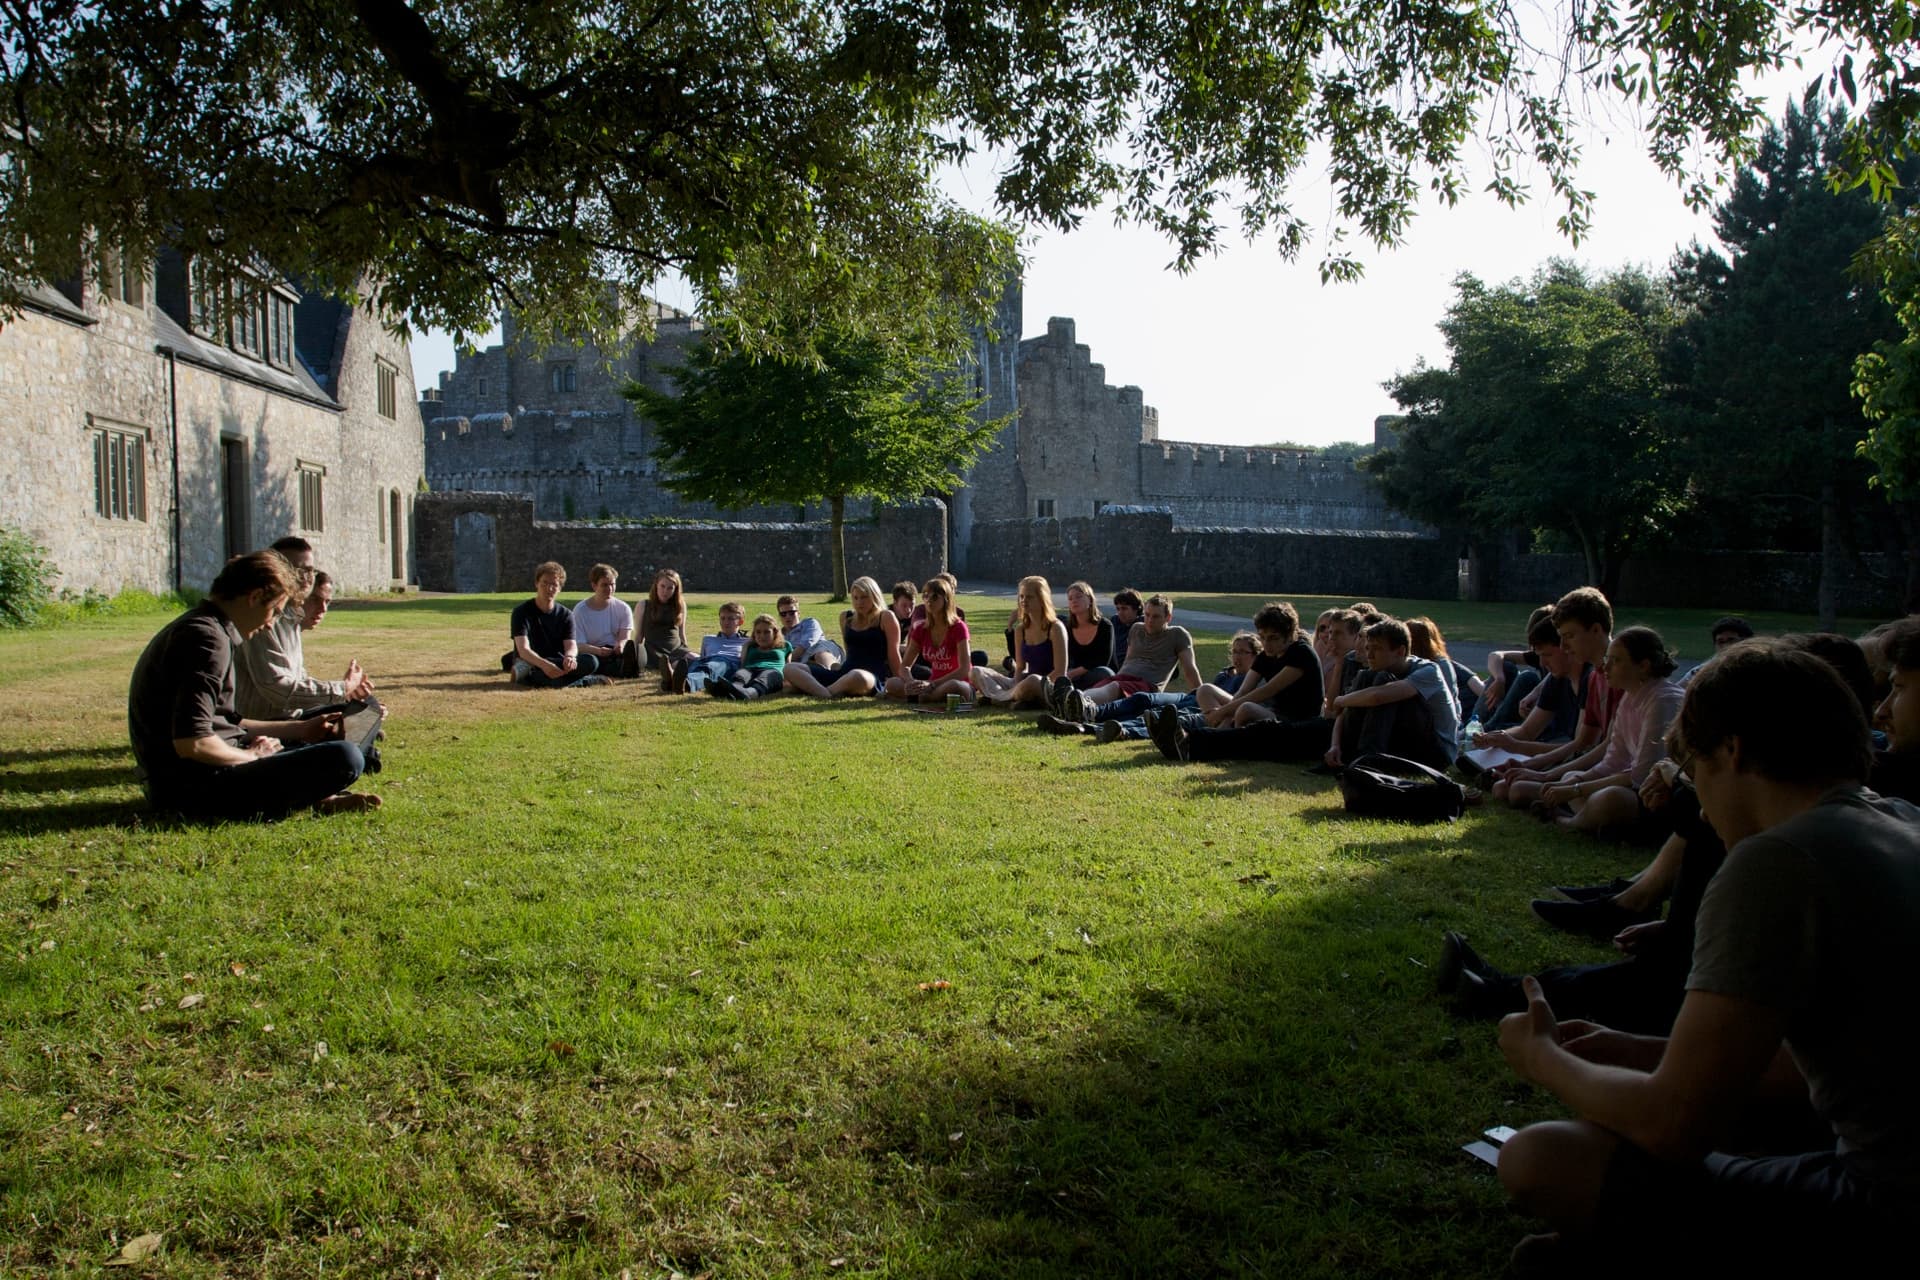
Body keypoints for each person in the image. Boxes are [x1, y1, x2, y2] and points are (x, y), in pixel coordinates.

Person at [1491, 641, 1918, 1274]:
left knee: (1541, 1157)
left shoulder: (1778, 860)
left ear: (1732, 751)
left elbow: (1675, 1124)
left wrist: (1542, 1059)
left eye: (1691, 768)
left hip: (1882, 1203)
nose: (1695, 795)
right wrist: (1640, 1050)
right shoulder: (1903, 821)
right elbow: (1833, 1066)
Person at [128, 550, 377, 819]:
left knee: (360, 718)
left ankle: (313, 794)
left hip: (211, 766)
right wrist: (254, 756)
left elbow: (226, 722)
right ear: (255, 597)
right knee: (345, 757)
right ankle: (314, 794)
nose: (270, 626)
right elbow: (193, 743)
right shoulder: (207, 640)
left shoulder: (209, 630)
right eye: (273, 612)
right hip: (190, 789)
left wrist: (302, 729)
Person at [1530, 626, 1686, 836]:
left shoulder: (1663, 701)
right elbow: (1613, 762)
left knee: (1609, 799)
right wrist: (1575, 783)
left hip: (1659, 794)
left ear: (1643, 666)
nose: (1605, 667)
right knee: (1571, 775)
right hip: (1631, 786)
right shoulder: (1629, 697)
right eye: (1607, 659)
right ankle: (1591, 818)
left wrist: (1577, 790)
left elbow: (1641, 775)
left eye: (1616, 660)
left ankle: (1568, 821)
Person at [234, 540, 374, 718]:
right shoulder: (261, 620)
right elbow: (280, 692)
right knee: (352, 731)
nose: (306, 579)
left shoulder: (292, 618)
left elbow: (299, 680)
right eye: (297, 570)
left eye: (310, 571)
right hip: (269, 726)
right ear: (275, 570)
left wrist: (344, 693)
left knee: (367, 706)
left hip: (293, 716)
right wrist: (343, 688)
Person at [1322, 617, 1460, 771]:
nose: (1370, 655)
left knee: (1382, 682)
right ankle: (1349, 756)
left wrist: (1341, 699)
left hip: (1436, 752)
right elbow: (1343, 711)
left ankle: (1367, 759)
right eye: (1368, 648)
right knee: (1366, 677)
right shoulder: (1376, 669)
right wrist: (1335, 745)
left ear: (1400, 651)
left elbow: (1377, 697)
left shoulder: (1428, 671)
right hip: (1402, 743)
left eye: (1377, 649)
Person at [1055, 593, 1204, 720]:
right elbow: (1129, 660)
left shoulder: (1177, 635)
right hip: (1123, 678)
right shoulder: (1136, 629)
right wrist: (1117, 676)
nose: (1150, 620)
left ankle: (1075, 703)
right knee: (1105, 685)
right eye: (1147, 615)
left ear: (1168, 617)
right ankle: (1070, 702)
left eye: (1156, 616)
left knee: (1114, 687)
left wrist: (1200, 698)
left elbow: (1190, 669)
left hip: (1146, 685)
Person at [1468, 615, 1588, 758]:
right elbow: (1527, 731)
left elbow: (1579, 748)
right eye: (1539, 656)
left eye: (1548, 655)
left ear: (1566, 647)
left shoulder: (1588, 680)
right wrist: (1492, 738)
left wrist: (1515, 746)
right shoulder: (1556, 679)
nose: (1542, 663)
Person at [786, 576, 904, 698]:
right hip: (844, 674)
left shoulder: (885, 617)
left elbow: (893, 655)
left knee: (857, 676)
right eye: (855, 598)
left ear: (874, 596)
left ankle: (822, 691)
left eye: (864, 597)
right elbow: (849, 652)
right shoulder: (846, 618)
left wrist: (900, 683)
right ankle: (826, 692)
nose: (859, 602)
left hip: (870, 678)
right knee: (790, 668)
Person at [972, 575, 1066, 707]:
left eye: (1029, 597)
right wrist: (1017, 685)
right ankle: (1012, 698)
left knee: (1033, 681)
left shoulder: (1056, 628)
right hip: (1024, 682)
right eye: (1021, 597)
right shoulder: (1020, 630)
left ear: (1042, 599)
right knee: (976, 671)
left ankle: (1000, 698)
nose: (1024, 601)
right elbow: (1020, 668)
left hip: (1047, 685)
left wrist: (1022, 686)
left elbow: (1060, 671)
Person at [509, 561, 605, 688]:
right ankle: (585, 681)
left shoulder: (566, 615)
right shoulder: (521, 612)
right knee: (542, 676)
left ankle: (534, 674)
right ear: (536, 584)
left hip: (558, 662)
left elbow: (571, 645)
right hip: (535, 662)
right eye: (545, 583)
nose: (549, 588)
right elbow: (523, 650)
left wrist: (570, 657)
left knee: (591, 661)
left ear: (559, 588)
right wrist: (544, 665)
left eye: (554, 585)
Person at [886, 577, 972, 703]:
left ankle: (920, 698)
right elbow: (904, 666)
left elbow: (964, 669)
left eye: (935, 597)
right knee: (892, 683)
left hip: (955, 683)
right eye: (926, 596)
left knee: (954, 686)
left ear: (946, 600)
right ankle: (921, 696)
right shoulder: (921, 629)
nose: (929, 601)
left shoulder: (958, 627)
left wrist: (932, 684)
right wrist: (911, 683)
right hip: (930, 684)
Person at [572, 564, 636, 678]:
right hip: (593, 652)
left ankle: (622, 668)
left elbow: (625, 637)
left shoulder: (623, 608)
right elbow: (578, 645)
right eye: (604, 585)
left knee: (636, 652)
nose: (610, 589)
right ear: (594, 586)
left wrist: (620, 645)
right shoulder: (580, 610)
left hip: (614, 652)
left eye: (612, 584)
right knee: (590, 662)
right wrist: (599, 651)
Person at [672, 602, 748, 694]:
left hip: (727, 664)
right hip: (705, 662)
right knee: (694, 665)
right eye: (723, 618)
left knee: (711, 667)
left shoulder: (747, 641)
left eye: (731, 618)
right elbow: (702, 657)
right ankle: (672, 681)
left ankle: (687, 682)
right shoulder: (708, 639)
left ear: (740, 622)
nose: (726, 622)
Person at [711, 614, 791, 699]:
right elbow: (742, 663)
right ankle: (732, 690)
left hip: (773, 672)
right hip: (750, 669)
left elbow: (789, 666)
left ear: (774, 632)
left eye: (767, 632)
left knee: (765, 676)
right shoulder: (750, 646)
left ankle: (750, 693)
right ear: (754, 634)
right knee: (741, 674)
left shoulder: (784, 645)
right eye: (758, 632)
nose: (762, 636)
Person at [636, 568, 694, 683]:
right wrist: (635, 655)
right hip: (654, 651)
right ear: (656, 585)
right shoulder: (644, 605)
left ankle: (675, 672)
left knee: (696, 659)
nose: (665, 591)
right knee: (667, 662)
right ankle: (670, 670)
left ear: (675, 590)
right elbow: (639, 636)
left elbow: (681, 633)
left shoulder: (680, 605)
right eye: (662, 586)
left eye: (670, 588)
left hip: (676, 648)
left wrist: (686, 650)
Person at [1057, 580, 1115, 691]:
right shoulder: (1066, 627)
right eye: (1070, 599)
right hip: (1072, 674)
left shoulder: (1105, 626)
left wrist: (1072, 674)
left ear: (1090, 600)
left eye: (1078, 597)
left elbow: (1102, 660)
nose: (1074, 601)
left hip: (1095, 675)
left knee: (1105, 673)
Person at [777, 594, 845, 675]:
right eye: (783, 614)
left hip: (820, 649)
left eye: (791, 613)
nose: (788, 617)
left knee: (820, 654)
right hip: (803, 662)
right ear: (779, 616)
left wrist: (784, 664)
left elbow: (805, 645)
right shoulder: (778, 636)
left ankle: (834, 674)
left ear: (798, 613)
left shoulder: (809, 623)